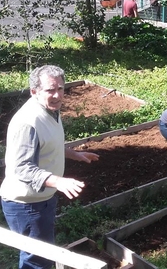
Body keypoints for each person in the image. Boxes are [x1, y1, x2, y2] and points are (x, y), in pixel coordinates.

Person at [0, 65, 99, 269]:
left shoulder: (50, 110)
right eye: (50, 90)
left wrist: (75, 154)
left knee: (41, 254)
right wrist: (58, 181)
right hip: (26, 205)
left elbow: (48, 143)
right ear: (34, 91)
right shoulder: (28, 122)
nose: (57, 95)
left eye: (60, 89)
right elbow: (21, 167)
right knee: (36, 260)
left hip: (42, 199)